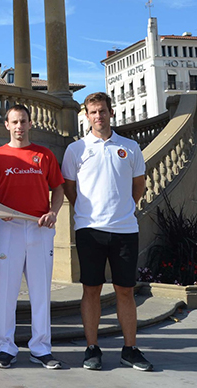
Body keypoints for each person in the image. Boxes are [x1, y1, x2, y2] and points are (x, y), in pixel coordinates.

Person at [62, 92, 152, 372]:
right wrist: (90, 212)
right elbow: (69, 188)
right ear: (86, 116)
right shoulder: (75, 150)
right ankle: (92, 348)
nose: (98, 116)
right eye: (92, 112)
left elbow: (138, 185)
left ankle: (130, 349)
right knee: (91, 289)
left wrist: (121, 209)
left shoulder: (130, 147)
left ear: (111, 113)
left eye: (102, 111)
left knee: (125, 291)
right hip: (89, 230)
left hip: (125, 229)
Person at [0, 104, 64, 370]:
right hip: (8, 228)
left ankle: (41, 348)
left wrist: (53, 211)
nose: (19, 126)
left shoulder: (44, 154)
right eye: (14, 122)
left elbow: (58, 189)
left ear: (30, 124)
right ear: (6, 125)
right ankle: (5, 347)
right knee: (5, 290)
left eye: (23, 121)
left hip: (40, 228)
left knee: (40, 291)